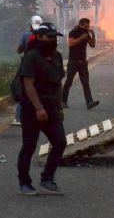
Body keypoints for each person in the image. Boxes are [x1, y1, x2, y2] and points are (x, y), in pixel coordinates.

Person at [17, 22, 67, 196]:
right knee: (29, 146)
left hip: (52, 107)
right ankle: (24, 182)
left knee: (60, 142)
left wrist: (60, 106)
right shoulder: (32, 57)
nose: (52, 40)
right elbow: (28, 84)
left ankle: (47, 178)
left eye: (54, 37)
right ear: (39, 37)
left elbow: (58, 83)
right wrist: (38, 108)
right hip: (33, 109)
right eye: (49, 37)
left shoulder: (57, 57)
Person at [11, 15, 43, 126]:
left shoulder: (26, 35)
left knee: (24, 90)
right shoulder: (44, 36)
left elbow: (19, 50)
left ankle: (19, 117)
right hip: (40, 66)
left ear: (31, 25)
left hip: (27, 66)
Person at [62, 18, 99, 109]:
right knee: (68, 82)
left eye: (88, 26)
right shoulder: (73, 32)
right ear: (81, 24)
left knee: (85, 82)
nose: (88, 27)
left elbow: (92, 45)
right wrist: (81, 38)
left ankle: (89, 102)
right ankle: (63, 101)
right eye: (86, 26)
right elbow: (71, 44)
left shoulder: (86, 33)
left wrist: (93, 35)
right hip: (73, 61)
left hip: (83, 62)